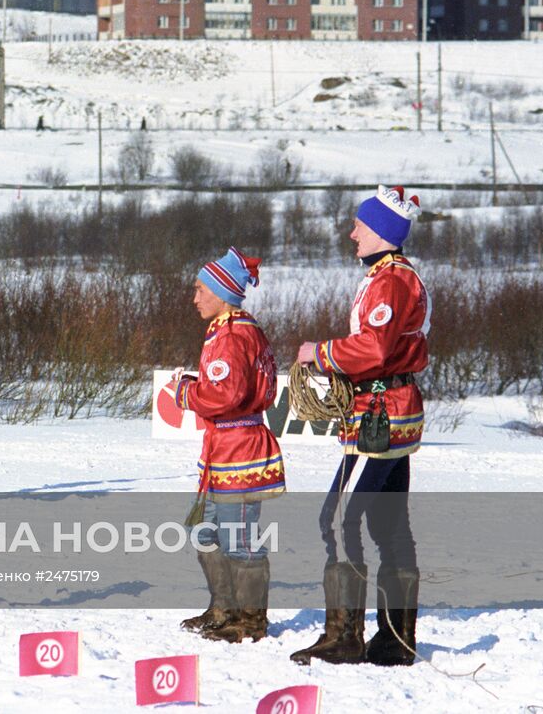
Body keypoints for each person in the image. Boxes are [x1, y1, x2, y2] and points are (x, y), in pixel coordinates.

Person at [290, 185, 428, 668]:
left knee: (337, 519)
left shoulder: (391, 281)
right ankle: (395, 641)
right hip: (390, 412)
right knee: (390, 525)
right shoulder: (391, 276)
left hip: (379, 417)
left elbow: (374, 348)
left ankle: (345, 636)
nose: (352, 235)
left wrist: (320, 353)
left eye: (359, 227)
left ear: (382, 232)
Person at [166, 248, 285, 644]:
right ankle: (224, 608)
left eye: (200, 290)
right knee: (204, 531)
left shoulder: (233, 334)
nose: (194, 298)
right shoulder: (230, 330)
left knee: (239, 539)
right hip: (222, 449)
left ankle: (250, 620)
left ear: (221, 292)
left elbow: (225, 394)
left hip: (239, 450)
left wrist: (186, 393)